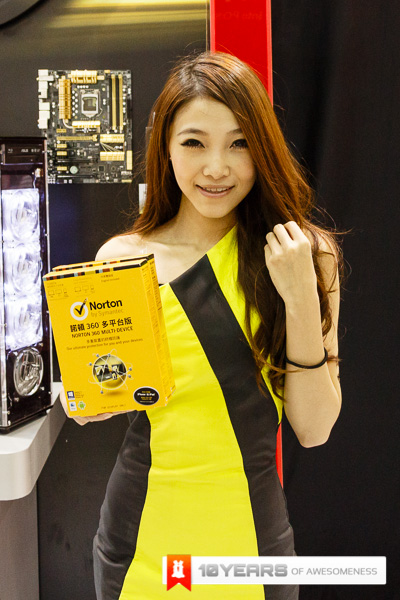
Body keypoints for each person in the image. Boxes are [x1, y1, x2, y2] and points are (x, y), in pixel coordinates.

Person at [62, 51, 342, 599]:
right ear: (165, 149)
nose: (216, 167)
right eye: (194, 143)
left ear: (263, 149)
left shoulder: (306, 256)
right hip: (140, 544)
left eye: (239, 143)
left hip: (252, 545)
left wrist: (301, 300)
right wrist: (90, 398)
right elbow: (98, 394)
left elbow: (314, 430)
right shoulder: (123, 259)